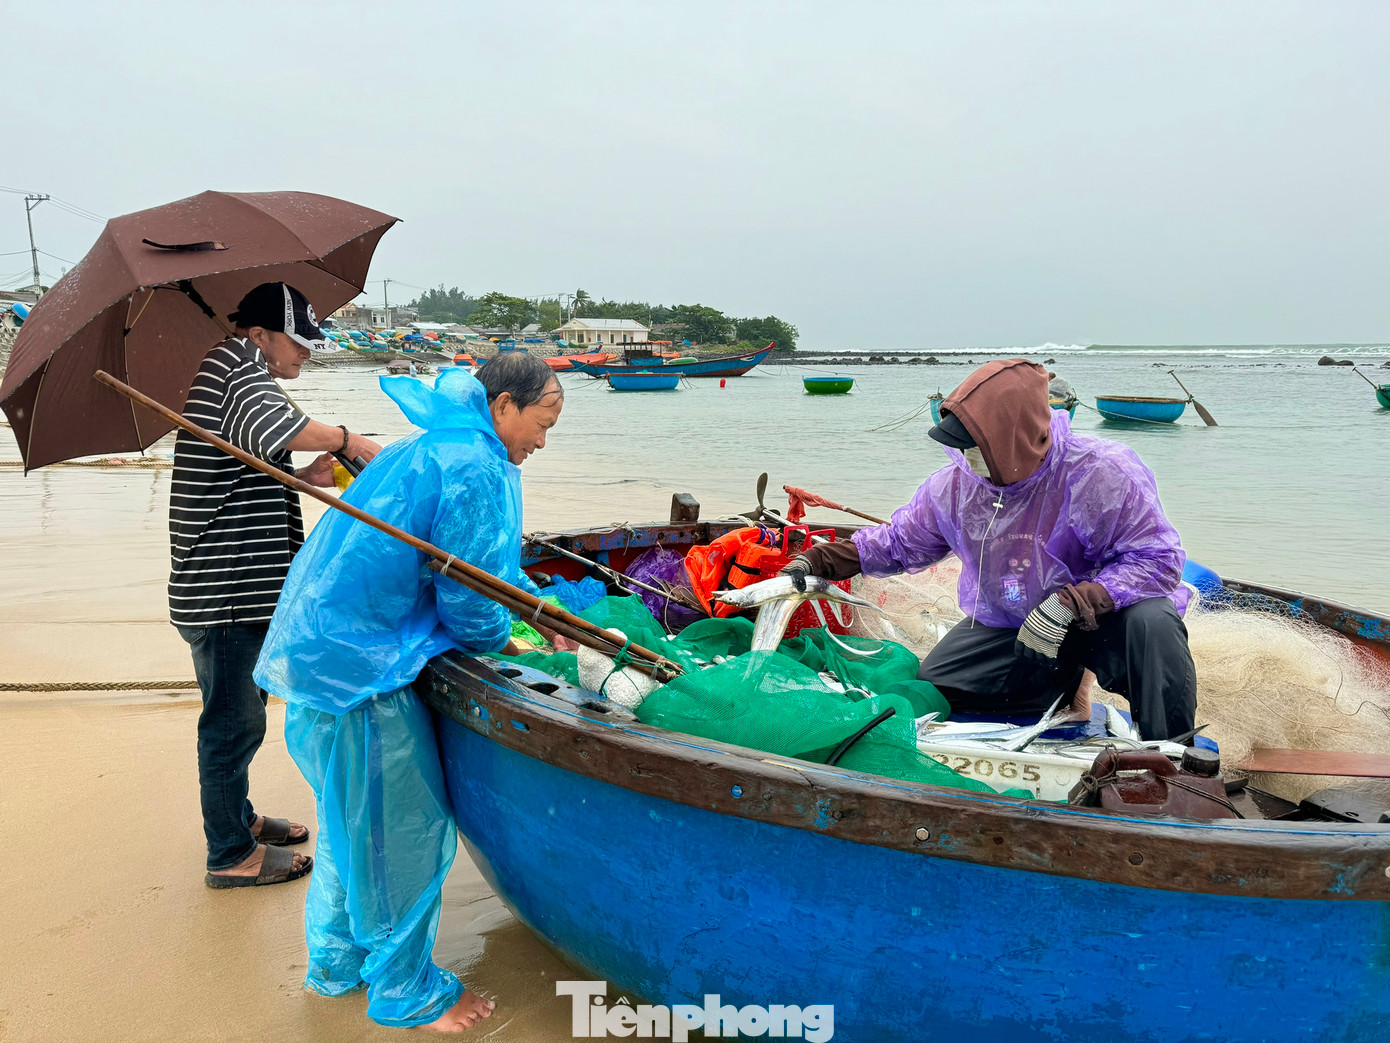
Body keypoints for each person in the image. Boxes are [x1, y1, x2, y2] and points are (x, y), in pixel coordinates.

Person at [253, 353, 563, 1032]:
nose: (542, 440)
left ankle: (335, 965)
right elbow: (471, 596)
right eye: (541, 422)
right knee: (396, 833)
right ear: (503, 406)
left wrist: (526, 607)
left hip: (321, 650)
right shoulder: (476, 463)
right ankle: (406, 990)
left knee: (346, 822)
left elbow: (479, 563)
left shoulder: (434, 444)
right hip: (363, 667)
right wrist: (509, 637)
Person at [782, 358, 1196, 741]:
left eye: (977, 446)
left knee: (1153, 623)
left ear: (1016, 438)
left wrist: (1072, 603)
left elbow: (1157, 560)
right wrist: (822, 558)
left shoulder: (1101, 471)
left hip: (1100, 618)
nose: (967, 457)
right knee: (935, 691)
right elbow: (900, 542)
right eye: (961, 445)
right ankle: (1060, 687)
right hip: (1014, 622)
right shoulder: (955, 485)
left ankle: (1173, 757)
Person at [170, 281, 382, 888]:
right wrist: (347, 440)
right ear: (261, 335)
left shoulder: (234, 375)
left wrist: (303, 477)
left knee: (243, 712)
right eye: (300, 340)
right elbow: (281, 424)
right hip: (227, 590)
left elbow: (244, 466)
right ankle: (230, 854)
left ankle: (237, 817)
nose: (308, 353)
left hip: (232, 585)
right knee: (233, 724)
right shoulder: (234, 363)